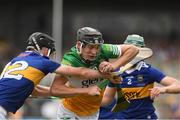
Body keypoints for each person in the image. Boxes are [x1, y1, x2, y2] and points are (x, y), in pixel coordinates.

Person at [0, 32, 107, 120]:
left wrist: (63, 92)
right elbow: (81, 72)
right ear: (45, 49)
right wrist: (108, 74)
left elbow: (32, 89)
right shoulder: (42, 61)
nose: (50, 55)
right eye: (50, 51)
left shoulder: (15, 60)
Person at [50, 27, 139, 119]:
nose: (94, 52)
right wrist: (86, 90)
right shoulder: (70, 60)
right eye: (91, 47)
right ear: (79, 45)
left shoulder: (104, 50)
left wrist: (113, 66)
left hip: (93, 113)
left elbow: (133, 49)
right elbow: (55, 89)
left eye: (97, 47)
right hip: (70, 112)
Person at [99, 34, 180, 119]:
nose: (134, 54)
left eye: (137, 51)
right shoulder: (116, 72)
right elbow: (107, 99)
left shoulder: (148, 71)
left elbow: (178, 85)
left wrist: (163, 89)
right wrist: (88, 100)